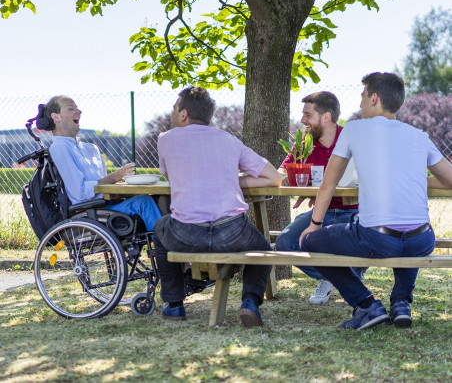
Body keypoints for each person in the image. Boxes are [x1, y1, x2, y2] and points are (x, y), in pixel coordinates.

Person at [300, 72, 452, 330]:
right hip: (422, 239)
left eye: (362, 97)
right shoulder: (419, 136)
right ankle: (401, 302)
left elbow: (328, 183)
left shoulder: (354, 129)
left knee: (309, 242)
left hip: (377, 239)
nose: (359, 104)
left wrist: (314, 224)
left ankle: (366, 305)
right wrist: (410, 179)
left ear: (374, 98)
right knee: (410, 232)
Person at [154, 86, 281, 327]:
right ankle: (250, 303)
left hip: (186, 234)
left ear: (183, 114)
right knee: (264, 249)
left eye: (174, 108)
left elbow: (174, 177)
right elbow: (273, 178)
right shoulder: (229, 140)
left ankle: (174, 304)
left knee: (160, 227)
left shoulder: (165, 139)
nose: (172, 113)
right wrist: (235, 179)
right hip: (231, 233)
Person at [276, 91, 365, 304]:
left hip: (353, 212)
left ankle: (344, 277)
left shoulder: (353, 140)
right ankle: (338, 277)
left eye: (308, 115)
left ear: (326, 117)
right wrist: (290, 180)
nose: (302, 120)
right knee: (285, 243)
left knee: (368, 240)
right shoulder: (305, 142)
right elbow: (282, 171)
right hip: (320, 213)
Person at [45, 95, 162, 231]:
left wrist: (121, 181)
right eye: (71, 109)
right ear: (56, 117)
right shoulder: (60, 148)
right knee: (144, 202)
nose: (79, 112)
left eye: (77, 108)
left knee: (159, 199)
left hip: (107, 203)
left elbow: (105, 183)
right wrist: (116, 176)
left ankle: (172, 243)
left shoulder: (90, 148)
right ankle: (164, 249)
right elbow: (80, 192)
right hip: (91, 212)